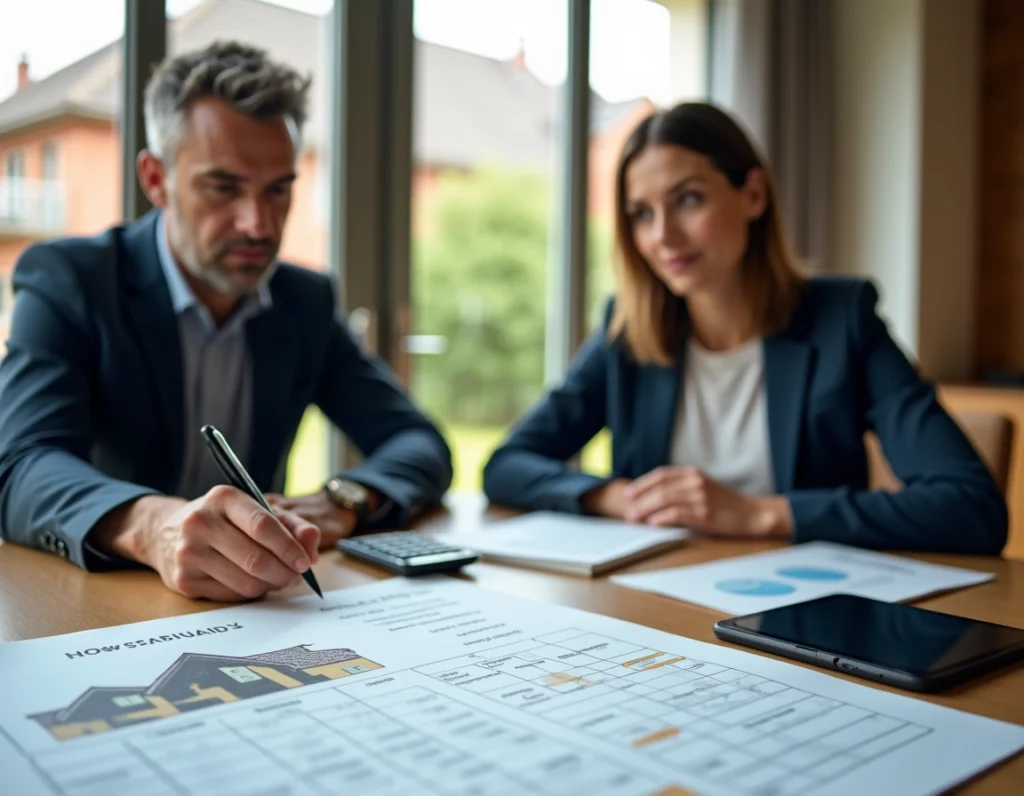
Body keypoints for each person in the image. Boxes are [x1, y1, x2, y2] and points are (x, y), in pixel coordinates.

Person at [0, 41, 452, 601]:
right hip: (100, 606)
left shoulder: (303, 300)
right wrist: (151, 526)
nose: (258, 224)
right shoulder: (72, 279)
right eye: (224, 187)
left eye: (278, 189)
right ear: (156, 178)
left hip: (265, 611)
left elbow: (418, 441)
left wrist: (343, 500)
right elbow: (20, 465)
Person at [483, 102, 1007, 555]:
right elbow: (506, 466)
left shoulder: (842, 322)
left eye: (688, 199)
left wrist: (759, 514)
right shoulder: (628, 331)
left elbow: (972, 507)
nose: (663, 236)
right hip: (656, 610)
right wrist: (615, 497)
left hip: (803, 613)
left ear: (753, 194)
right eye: (641, 214)